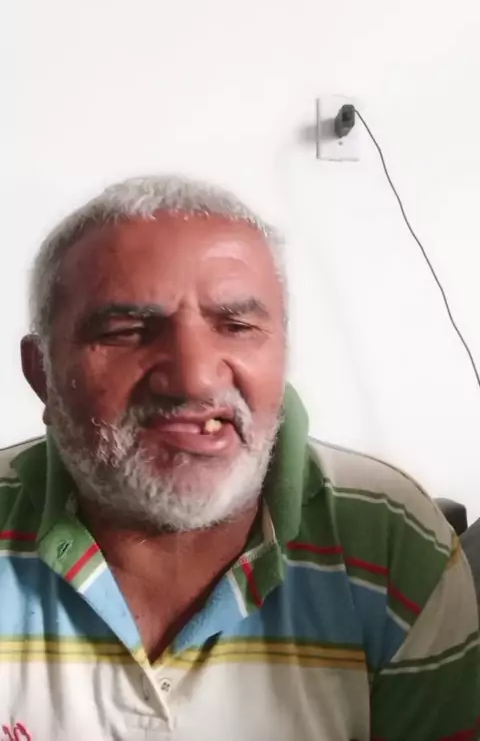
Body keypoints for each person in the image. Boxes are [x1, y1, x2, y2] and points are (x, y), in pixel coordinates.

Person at [1, 175, 478, 741]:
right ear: (42, 373)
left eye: (236, 326)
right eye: (127, 331)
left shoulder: (389, 538)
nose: (194, 378)